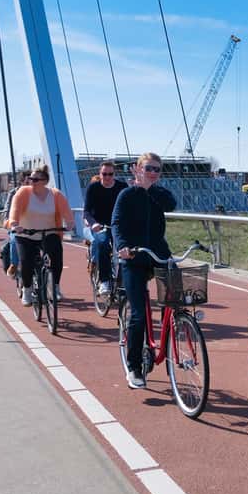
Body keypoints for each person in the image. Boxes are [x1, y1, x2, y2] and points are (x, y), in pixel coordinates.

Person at [112, 153, 176, 390]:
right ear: (136, 169)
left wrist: (151, 189)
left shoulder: (159, 195)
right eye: (148, 168)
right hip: (134, 257)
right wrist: (122, 247)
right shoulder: (126, 195)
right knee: (139, 314)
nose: (152, 173)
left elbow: (171, 204)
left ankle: (175, 329)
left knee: (177, 298)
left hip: (158, 253)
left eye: (157, 170)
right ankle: (135, 367)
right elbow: (117, 223)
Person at [5, 165, 73, 306]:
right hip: (25, 234)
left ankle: (55, 286)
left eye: (35, 179)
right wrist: (14, 224)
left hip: (48, 232)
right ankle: (27, 289)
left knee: (57, 257)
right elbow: (14, 210)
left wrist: (70, 223)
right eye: (30, 178)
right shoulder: (23, 192)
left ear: (44, 181)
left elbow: (66, 212)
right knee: (26, 261)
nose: (31, 181)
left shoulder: (55, 194)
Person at [83, 160, 128, 295]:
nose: (107, 177)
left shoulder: (122, 187)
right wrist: (93, 223)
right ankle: (104, 281)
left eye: (110, 174)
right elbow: (87, 211)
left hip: (118, 225)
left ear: (114, 174)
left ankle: (125, 281)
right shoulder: (93, 188)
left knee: (127, 248)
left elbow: (129, 207)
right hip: (100, 224)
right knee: (103, 243)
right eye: (104, 174)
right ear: (100, 174)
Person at [2, 171, 29, 278]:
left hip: (33, 226)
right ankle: (14, 264)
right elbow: (7, 211)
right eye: (27, 182)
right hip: (17, 226)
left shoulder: (37, 193)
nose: (30, 184)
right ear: (21, 182)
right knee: (14, 239)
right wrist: (9, 223)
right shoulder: (13, 193)